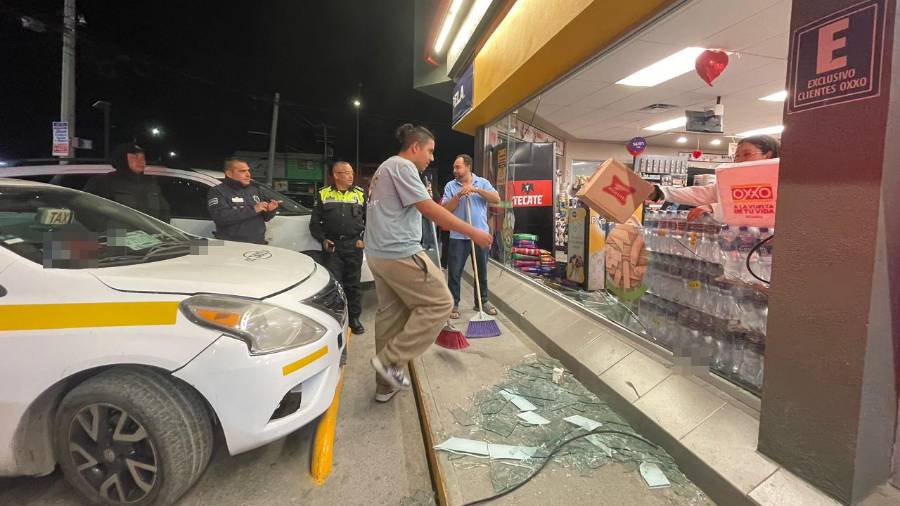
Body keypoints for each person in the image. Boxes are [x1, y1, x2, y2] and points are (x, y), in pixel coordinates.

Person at [366, 124, 492, 403]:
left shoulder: (385, 168)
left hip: (379, 253)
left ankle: (385, 385)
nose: (432, 158)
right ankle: (389, 360)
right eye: (430, 151)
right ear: (415, 147)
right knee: (441, 303)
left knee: (390, 316)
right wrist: (474, 232)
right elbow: (431, 210)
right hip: (399, 252)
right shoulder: (402, 167)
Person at [648, 135, 780, 221]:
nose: (740, 160)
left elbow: (765, 207)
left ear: (768, 156)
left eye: (747, 154)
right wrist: (659, 191)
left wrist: (714, 208)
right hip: (739, 245)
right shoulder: (732, 181)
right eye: (737, 156)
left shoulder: (783, 183)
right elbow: (700, 193)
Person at [310, 161, 367, 335]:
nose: (351, 176)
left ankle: (354, 318)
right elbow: (314, 223)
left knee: (353, 285)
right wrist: (323, 240)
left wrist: (363, 239)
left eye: (352, 173)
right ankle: (337, 319)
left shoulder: (360, 194)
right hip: (333, 247)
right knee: (335, 285)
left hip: (354, 245)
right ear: (336, 175)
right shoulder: (323, 193)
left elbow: (370, 220)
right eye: (347, 173)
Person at [441, 154, 500, 319]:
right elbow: (445, 209)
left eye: (458, 167)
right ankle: (453, 304)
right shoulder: (450, 186)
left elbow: (496, 198)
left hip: (480, 236)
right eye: (454, 167)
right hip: (458, 236)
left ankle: (482, 301)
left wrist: (476, 190)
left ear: (468, 167)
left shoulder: (482, 182)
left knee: (481, 271)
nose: (454, 170)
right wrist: (458, 196)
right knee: (454, 272)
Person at [84, 142, 171, 222]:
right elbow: (86, 209)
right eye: (135, 157)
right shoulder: (103, 182)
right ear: (122, 159)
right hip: (118, 233)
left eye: (143, 157)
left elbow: (164, 210)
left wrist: (161, 230)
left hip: (148, 233)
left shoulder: (151, 183)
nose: (141, 161)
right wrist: (106, 229)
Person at [207, 158, 279, 244]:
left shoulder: (254, 190)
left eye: (248, 171)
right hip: (232, 245)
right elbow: (221, 217)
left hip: (258, 243)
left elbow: (265, 218)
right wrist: (253, 209)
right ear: (229, 174)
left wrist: (270, 210)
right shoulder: (218, 191)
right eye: (242, 171)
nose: (248, 174)